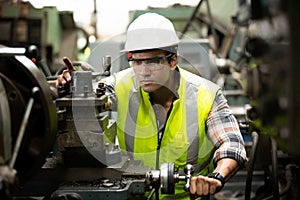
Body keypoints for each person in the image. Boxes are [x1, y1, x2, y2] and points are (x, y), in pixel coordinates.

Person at [56, 13, 247, 199]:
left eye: (153, 62)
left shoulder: (206, 94)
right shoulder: (119, 86)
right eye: (137, 62)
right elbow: (91, 93)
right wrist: (73, 85)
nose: (143, 72)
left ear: (173, 60)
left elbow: (233, 145)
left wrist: (215, 177)